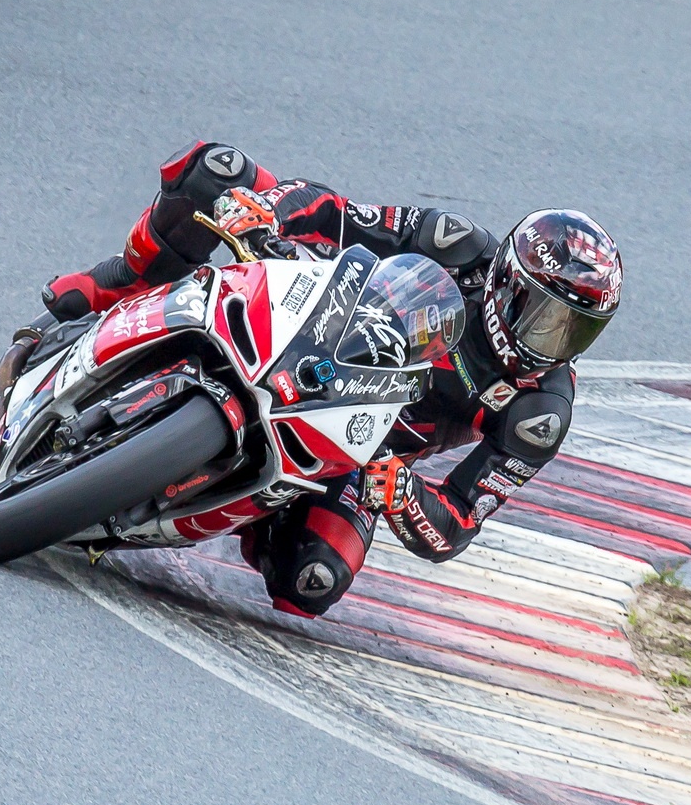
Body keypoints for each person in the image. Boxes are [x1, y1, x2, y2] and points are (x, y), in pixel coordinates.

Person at [39, 140, 624, 617]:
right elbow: (335, 214)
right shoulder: (456, 243)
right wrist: (269, 213)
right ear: (507, 281)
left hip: (357, 449)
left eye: (577, 331)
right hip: (314, 329)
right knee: (218, 170)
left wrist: (405, 496)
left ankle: (253, 508)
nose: (555, 341)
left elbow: (456, 524)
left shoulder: (539, 411)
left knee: (311, 582)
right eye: (546, 316)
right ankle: (122, 282)